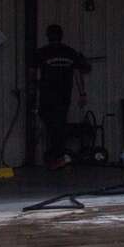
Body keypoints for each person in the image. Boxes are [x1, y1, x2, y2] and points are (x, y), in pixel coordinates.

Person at [33, 25, 90, 169]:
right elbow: (78, 74)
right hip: (63, 97)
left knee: (52, 127)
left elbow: (32, 74)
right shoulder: (70, 53)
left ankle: (56, 157)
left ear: (48, 36)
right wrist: (82, 94)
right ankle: (57, 157)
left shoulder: (42, 53)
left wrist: (35, 90)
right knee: (58, 125)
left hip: (47, 96)